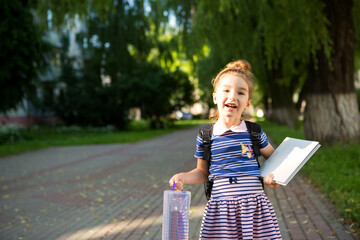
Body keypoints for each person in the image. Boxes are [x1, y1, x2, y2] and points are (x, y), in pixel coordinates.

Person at [169, 59, 282, 239]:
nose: (233, 96)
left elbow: (277, 160)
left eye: (241, 92)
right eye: (226, 90)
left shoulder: (253, 132)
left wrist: (274, 177)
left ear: (248, 103)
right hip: (221, 213)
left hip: (254, 211)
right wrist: (183, 177)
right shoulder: (206, 137)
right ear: (215, 97)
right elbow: (202, 172)